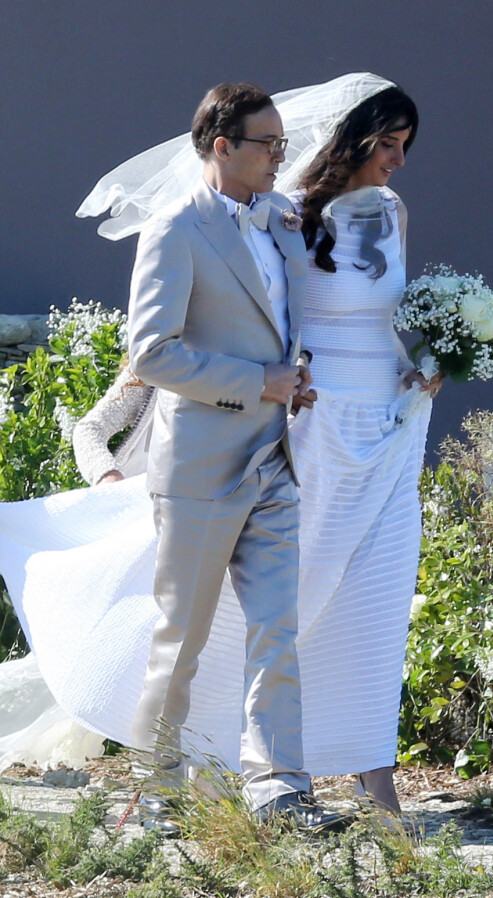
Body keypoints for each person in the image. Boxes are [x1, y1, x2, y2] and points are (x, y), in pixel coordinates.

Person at [0, 73, 441, 819]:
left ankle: (309, 788)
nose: (281, 156)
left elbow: (353, 310)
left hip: (342, 440)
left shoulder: (337, 215)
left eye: (283, 143)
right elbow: (172, 345)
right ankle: (176, 781)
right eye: (268, 144)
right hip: (256, 440)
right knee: (207, 627)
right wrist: (265, 385)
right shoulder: (224, 221)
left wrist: (417, 362)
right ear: (224, 146)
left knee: (322, 618)